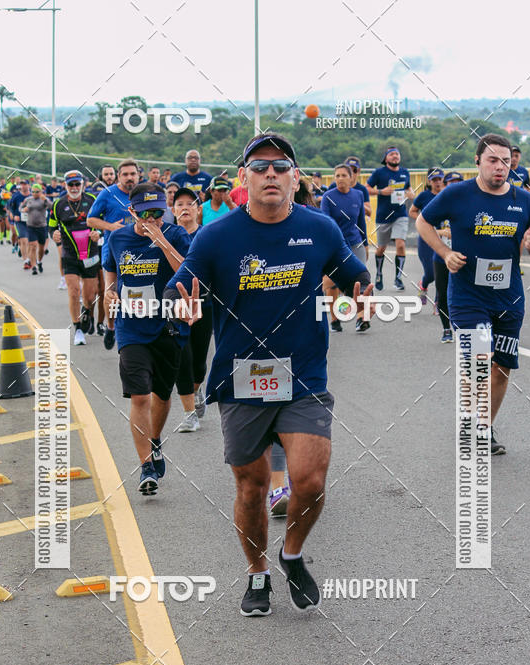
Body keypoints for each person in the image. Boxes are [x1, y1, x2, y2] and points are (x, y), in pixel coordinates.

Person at [163, 132, 373, 617]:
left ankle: (292, 553)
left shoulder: (319, 229)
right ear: (244, 179)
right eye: (260, 167)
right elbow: (181, 285)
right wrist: (181, 304)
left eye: (281, 166)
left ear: (296, 178)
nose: (271, 174)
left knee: (310, 480)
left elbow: (353, 273)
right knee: (252, 486)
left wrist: (362, 290)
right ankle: (257, 572)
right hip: (242, 378)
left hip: (304, 375)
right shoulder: (217, 237)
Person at [416, 133, 530, 455]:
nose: (500, 167)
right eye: (493, 160)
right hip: (467, 295)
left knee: (501, 366)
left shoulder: (524, 201)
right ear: (477, 161)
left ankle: (484, 429)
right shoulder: (457, 194)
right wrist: (445, 252)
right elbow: (423, 222)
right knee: (477, 360)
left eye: (505, 161)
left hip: (508, 297)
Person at [102, 182, 191, 494]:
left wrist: (162, 241)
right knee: (140, 396)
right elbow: (111, 274)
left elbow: (187, 274)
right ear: (131, 211)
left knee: (162, 396)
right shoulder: (118, 237)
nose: (152, 219)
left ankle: (155, 441)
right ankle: (145, 466)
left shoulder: (177, 234)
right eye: (145, 214)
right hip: (131, 326)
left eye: (158, 213)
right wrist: (108, 293)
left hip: (167, 325)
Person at [172, 187, 213, 431]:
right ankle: (189, 414)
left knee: (198, 360)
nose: (185, 207)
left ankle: (197, 390)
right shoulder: (165, 236)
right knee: (181, 357)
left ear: (199, 209)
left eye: (190, 203)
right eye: (179, 204)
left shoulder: (207, 235)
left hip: (203, 304)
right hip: (174, 305)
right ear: (173, 210)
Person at [49, 170, 100, 346]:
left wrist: (98, 233)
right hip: (70, 254)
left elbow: (101, 221)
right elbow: (51, 226)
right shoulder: (58, 205)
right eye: (71, 184)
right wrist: (53, 234)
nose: (74, 187)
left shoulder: (92, 201)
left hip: (90, 254)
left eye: (77, 184)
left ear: (83, 184)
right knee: (73, 291)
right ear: (65, 185)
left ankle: (88, 313)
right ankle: (77, 328)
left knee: (90, 295)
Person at [321, 164, 371, 333]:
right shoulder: (328, 197)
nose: (340, 179)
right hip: (336, 247)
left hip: (356, 244)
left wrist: (365, 243)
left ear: (351, 178)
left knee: (361, 280)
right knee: (333, 284)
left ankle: (361, 318)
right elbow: (326, 224)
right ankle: (335, 320)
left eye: (343, 175)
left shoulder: (358, 195)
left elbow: (361, 222)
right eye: (337, 176)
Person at [367, 147, 414, 291]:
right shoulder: (379, 173)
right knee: (381, 248)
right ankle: (379, 274)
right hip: (383, 216)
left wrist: (410, 194)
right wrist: (381, 191)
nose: (395, 156)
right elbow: (366, 188)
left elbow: (409, 189)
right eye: (392, 154)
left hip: (400, 214)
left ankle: (398, 278)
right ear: (386, 158)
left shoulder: (405, 172)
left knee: (400, 244)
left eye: (397, 154)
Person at [87, 158, 139, 268]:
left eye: (133, 174)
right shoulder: (107, 193)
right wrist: (111, 226)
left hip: (138, 250)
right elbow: (90, 220)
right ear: (118, 176)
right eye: (125, 174)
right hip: (113, 251)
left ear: (138, 175)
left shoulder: (144, 193)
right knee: (112, 286)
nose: (129, 177)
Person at [431, 171, 463, 342]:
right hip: (442, 256)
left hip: (463, 256)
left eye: (458, 182)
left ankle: (463, 327)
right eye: (451, 182)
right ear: (445, 185)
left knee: (463, 294)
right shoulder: (439, 204)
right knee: (442, 293)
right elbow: (426, 226)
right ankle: (446, 329)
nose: (454, 185)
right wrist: (443, 231)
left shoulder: (469, 203)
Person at [409, 167, 444, 303]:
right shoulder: (424, 196)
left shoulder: (448, 194)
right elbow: (412, 211)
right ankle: (423, 285)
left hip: (445, 239)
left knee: (442, 273)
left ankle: (439, 302)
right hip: (426, 239)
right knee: (431, 273)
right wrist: (422, 222)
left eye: (439, 179)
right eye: (434, 180)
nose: (437, 182)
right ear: (429, 181)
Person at [21, 184, 51, 274]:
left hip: (41, 226)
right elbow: (21, 208)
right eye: (33, 191)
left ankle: (39, 261)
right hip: (31, 226)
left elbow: (51, 206)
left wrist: (45, 199)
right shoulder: (28, 200)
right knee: (33, 246)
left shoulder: (44, 200)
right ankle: (34, 266)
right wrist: (24, 209)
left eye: (37, 192)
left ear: (41, 192)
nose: (34, 193)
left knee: (41, 248)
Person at [9, 179, 32, 267]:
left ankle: (30, 257)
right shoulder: (16, 196)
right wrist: (14, 214)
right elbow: (11, 207)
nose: (23, 186)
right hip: (20, 221)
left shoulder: (32, 195)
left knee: (31, 242)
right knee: (24, 239)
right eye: (21, 184)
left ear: (28, 186)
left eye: (25, 184)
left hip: (31, 221)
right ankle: (25, 260)